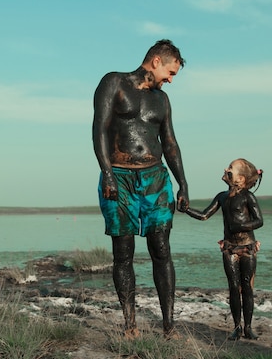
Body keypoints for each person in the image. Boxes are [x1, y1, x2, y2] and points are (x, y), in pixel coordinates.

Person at [92, 39, 189, 338]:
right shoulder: (113, 82)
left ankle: (169, 326)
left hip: (156, 179)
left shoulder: (162, 100)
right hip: (119, 176)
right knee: (123, 253)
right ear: (156, 61)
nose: (171, 80)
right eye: (171, 72)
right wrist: (107, 173)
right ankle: (130, 323)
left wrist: (183, 183)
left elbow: (170, 143)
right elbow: (99, 129)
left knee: (162, 250)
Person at [180, 158, 263, 340]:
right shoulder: (222, 197)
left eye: (231, 169)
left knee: (247, 289)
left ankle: (248, 327)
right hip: (230, 249)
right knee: (234, 287)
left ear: (240, 179)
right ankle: (237, 327)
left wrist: (241, 225)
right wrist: (185, 209)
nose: (226, 170)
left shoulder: (248, 197)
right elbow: (204, 216)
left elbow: (259, 221)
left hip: (247, 248)